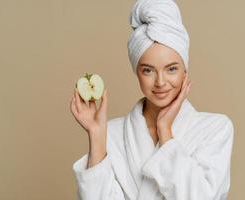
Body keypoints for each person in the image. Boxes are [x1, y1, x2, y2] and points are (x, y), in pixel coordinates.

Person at [70, 0, 234, 199]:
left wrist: (165, 132)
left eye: (171, 69)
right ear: (137, 73)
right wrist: (97, 135)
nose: (161, 82)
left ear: (185, 71)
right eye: (148, 70)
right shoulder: (111, 134)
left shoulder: (215, 129)